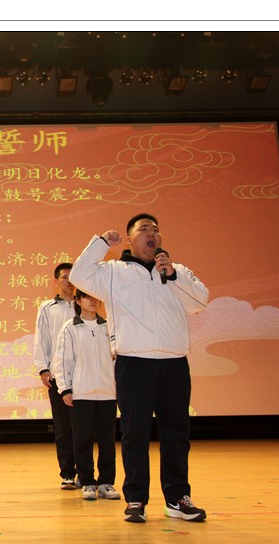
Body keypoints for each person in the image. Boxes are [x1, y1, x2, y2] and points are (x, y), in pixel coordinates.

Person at [69, 213, 209, 523]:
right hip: (134, 363)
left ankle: (177, 498)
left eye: (155, 230)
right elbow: (79, 275)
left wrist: (173, 275)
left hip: (174, 362)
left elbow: (200, 302)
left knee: (176, 433)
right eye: (143, 229)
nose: (151, 233)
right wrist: (101, 244)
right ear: (131, 239)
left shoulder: (176, 271)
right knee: (135, 433)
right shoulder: (113, 272)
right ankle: (136, 499)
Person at [51, 289, 120, 502]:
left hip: (108, 393)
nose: (93, 301)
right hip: (82, 393)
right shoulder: (70, 328)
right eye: (87, 297)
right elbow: (63, 360)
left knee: (107, 441)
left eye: (95, 297)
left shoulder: (109, 326)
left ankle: (106, 482)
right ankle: (87, 481)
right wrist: (65, 389)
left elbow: (118, 358)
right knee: (82, 440)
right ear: (78, 301)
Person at [32, 262, 78, 490]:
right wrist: (43, 368)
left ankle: (86, 474)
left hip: (84, 374)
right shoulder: (47, 307)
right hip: (58, 375)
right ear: (56, 281)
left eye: (72, 277)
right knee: (63, 427)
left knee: (85, 427)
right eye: (64, 277)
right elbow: (41, 338)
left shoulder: (86, 305)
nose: (69, 281)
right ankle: (68, 473)